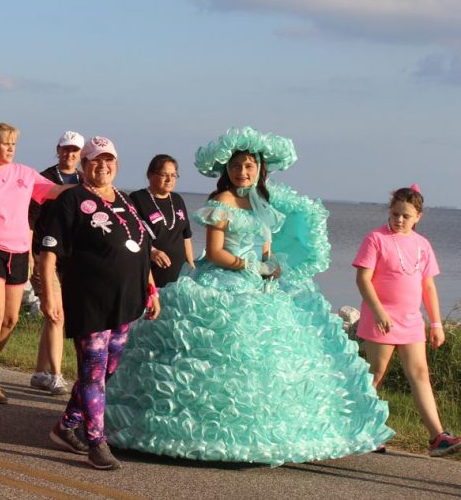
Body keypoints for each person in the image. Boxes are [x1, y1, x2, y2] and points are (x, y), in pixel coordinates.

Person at [105, 126, 393, 465]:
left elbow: (267, 245)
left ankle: (259, 438)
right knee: (221, 352)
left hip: (260, 285)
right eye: (236, 166)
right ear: (227, 169)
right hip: (223, 282)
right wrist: (251, 266)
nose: (242, 172)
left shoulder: (262, 202)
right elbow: (213, 252)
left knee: (270, 361)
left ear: (259, 169)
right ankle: (199, 434)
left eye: (249, 166)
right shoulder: (222, 201)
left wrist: (271, 264)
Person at [38, 136, 157, 470]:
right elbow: (48, 254)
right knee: (92, 370)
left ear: (116, 164)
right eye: (94, 160)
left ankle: (65, 427)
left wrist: (151, 289)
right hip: (88, 300)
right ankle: (96, 441)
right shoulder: (72, 199)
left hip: (126, 300)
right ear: (83, 165)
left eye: (109, 160)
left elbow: (140, 245)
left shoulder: (126, 199)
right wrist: (49, 293)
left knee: (106, 372)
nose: (102, 166)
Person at [354, 186, 460, 457]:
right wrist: (378, 312)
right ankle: (361, 431)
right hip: (381, 318)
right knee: (374, 376)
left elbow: (428, 287)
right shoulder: (376, 238)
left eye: (405, 216)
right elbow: (363, 279)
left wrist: (436, 324)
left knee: (420, 375)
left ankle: (438, 438)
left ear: (418, 217)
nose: (399, 220)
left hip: (411, 321)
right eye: (395, 214)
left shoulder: (422, 245)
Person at [0, 123, 67, 404]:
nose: (12, 148)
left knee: (11, 319)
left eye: (14, 143)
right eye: (6, 143)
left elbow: (56, 191)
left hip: (19, 252)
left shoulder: (25, 174)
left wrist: (89, 189)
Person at [29, 130, 83, 395]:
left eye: (74, 151)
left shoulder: (86, 181)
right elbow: (31, 218)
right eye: (65, 149)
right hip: (44, 255)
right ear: (58, 149)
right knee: (56, 315)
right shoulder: (45, 178)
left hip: (71, 259)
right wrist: (31, 255)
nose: (69, 154)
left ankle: (39, 372)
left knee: (55, 316)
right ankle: (56, 375)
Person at [128, 154, 194, 288]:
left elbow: (186, 236)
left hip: (179, 276)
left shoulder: (177, 199)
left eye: (174, 175)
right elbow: (131, 236)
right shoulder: (137, 198)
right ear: (150, 175)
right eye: (164, 175)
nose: (169, 179)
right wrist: (151, 251)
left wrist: (191, 265)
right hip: (151, 272)